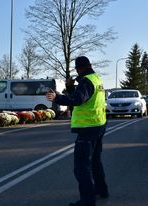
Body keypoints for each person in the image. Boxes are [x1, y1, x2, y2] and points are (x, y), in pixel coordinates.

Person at [46, 56, 108, 206]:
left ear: (79, 69)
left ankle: (87, 201)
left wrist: (57, 98)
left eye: (76, 69)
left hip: (88, 128)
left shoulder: (86, 82)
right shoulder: (96, 79)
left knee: (81, 166)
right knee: (95, 161)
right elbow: (85, 98)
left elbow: (78, 99)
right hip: (99, 124)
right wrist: (71, 88)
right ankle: (101, 190)